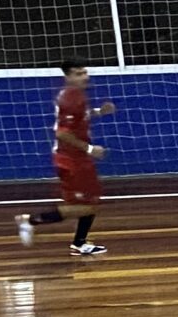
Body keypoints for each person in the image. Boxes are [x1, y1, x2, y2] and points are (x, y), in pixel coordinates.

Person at [19, 61, 114, 257]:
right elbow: (62, 133)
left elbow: (81, 116)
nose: (85, 77)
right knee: (85, 206)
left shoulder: (77, 95)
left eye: (85, 72)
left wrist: (99, 112)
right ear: (68, 76)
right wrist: (90, 149)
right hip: (71, 161)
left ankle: (80, 243)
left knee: (92, 201)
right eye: (78, 74)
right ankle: (30, 220)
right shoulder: (70, 98)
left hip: (79, 159)